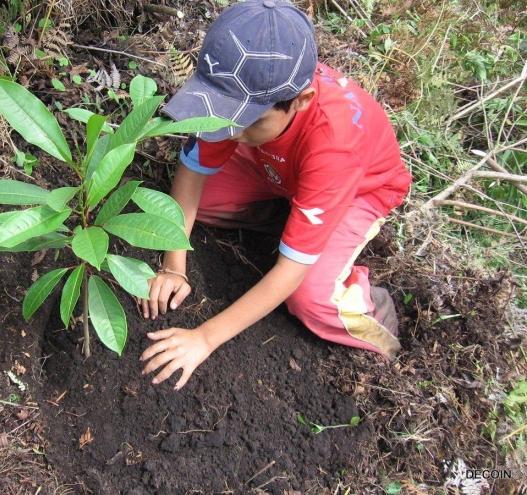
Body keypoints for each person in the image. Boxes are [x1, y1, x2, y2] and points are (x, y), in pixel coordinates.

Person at [138, 0, 412, 390]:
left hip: (357, 192)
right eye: (221, 114)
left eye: (244, 118)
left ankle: (372, 310)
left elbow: (288, 275)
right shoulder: (240, 94)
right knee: (199, 203)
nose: (226, 130)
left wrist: (204, 338)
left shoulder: (335, 145)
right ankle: (292, 224)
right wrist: (173, 265)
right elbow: (191, 176)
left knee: (309, 298)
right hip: (276, 165)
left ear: (300, 101)